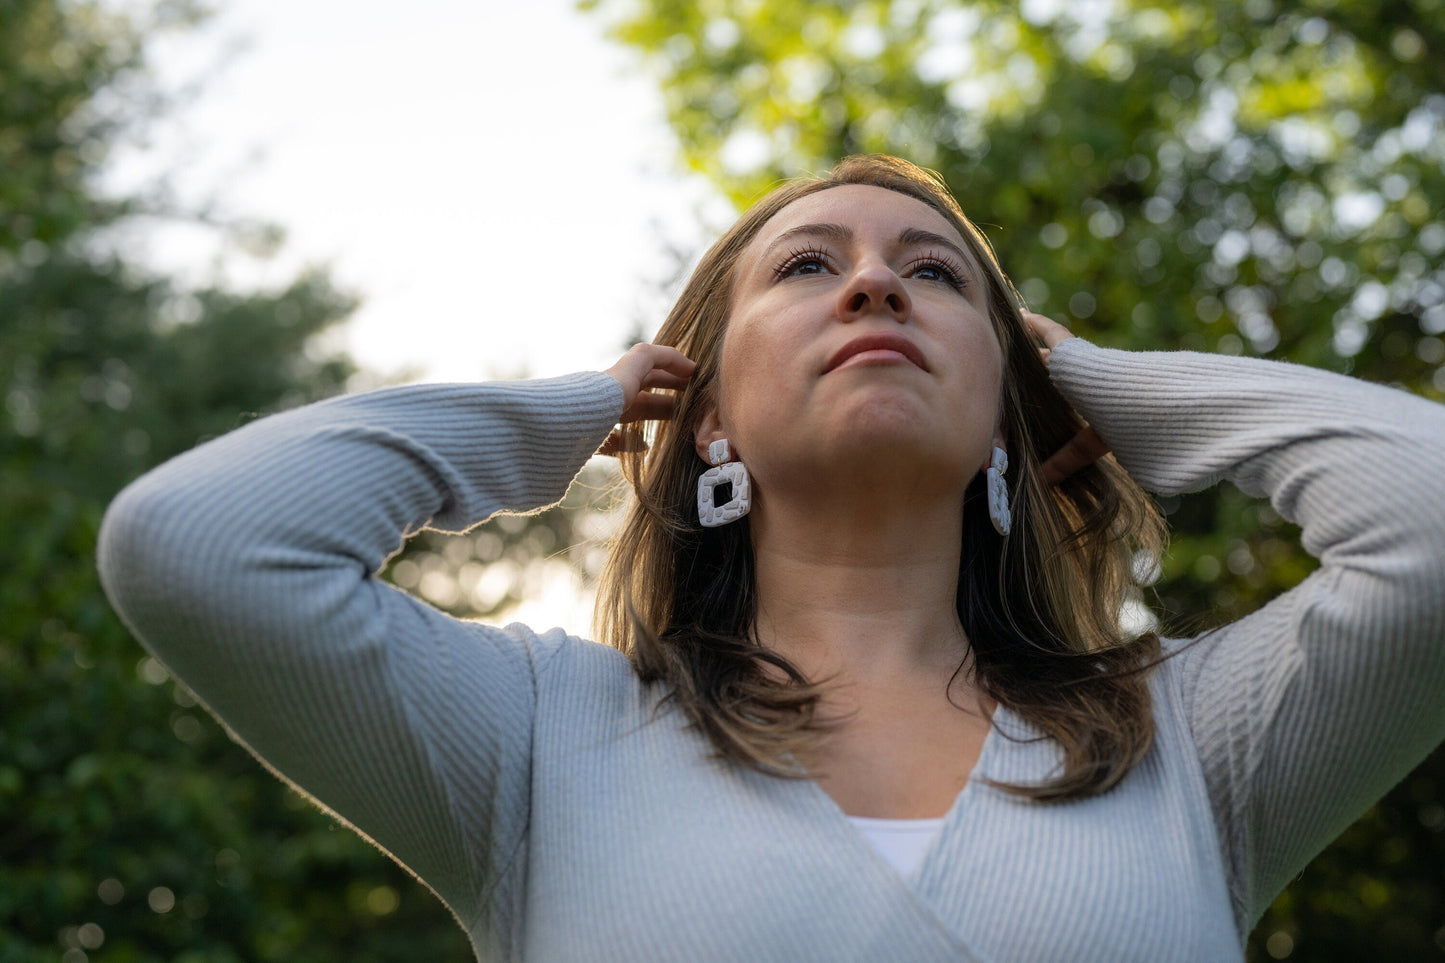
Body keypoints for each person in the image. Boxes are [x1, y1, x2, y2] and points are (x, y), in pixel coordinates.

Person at [98, 155, 1445, 962]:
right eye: (806, 267)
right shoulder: (534, 738)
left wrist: (1101, 383)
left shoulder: (1193, 742)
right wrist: (575, 410)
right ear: (708, 416)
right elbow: (198, 543)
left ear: (1008, 412)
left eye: (938, 277)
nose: (874, 284)